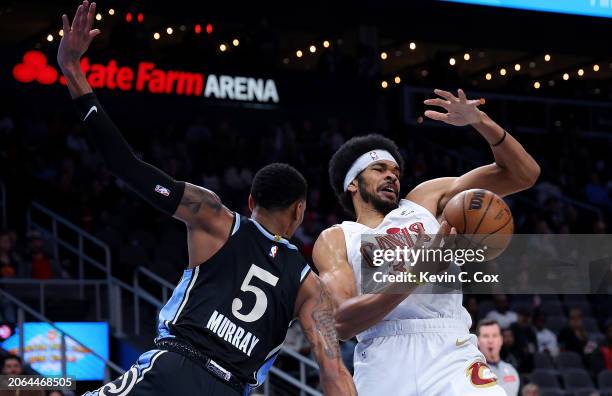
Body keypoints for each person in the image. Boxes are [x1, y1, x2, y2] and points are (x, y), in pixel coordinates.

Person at [57, 3, 355, 395]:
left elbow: (125, 164)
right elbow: (333, 372)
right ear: (300, 211)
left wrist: (73, 71)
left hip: (176, 368)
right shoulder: (309, 288)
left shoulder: (213, 216)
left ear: (250, 202)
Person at [313, 88, 540, 395]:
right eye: (379, 169)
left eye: (395, 171)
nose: (392, 176)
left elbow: (523, 175)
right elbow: (342, 321)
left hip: (451, 348)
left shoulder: (425, 200)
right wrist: (417, 273)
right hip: (384, 358)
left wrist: (481, 121)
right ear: (353, 183)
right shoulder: (337, 238)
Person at [477, 319, 520, 396]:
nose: (490, 341)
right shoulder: (473, 373)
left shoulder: (511, 370)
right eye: (485, 336)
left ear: (501, 340)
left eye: (494, 335)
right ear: (478, 341)